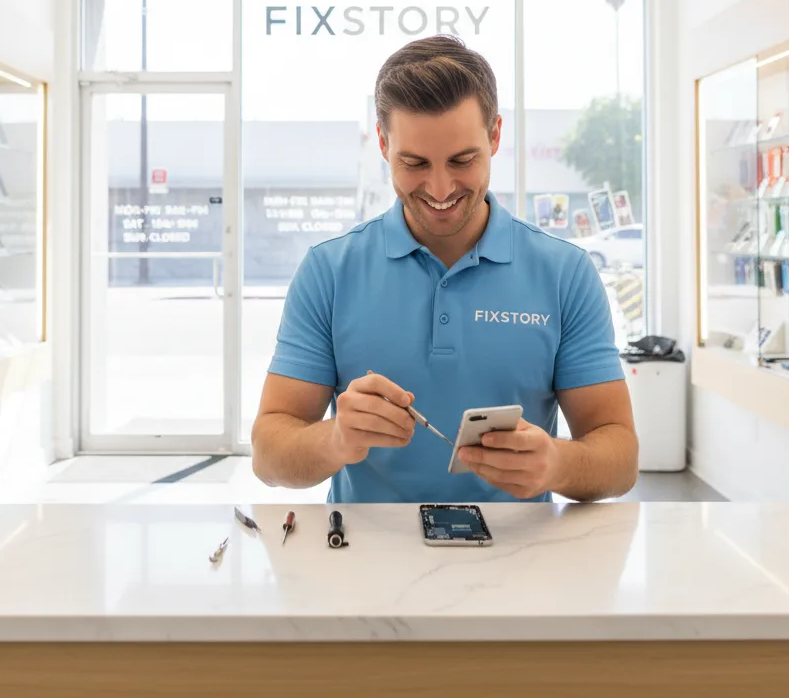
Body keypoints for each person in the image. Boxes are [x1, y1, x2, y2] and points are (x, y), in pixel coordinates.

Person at [251, 35, 638, 503]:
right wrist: (336, 439)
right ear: (382, 143)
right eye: (413, 162)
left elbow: (619, 460)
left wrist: (556, 463)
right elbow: (269, 458)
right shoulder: (329, 272)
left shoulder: (565, 273)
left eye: (462, 160)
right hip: (362, 562)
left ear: (495, 136)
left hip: (522, 560)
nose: (439, 188)